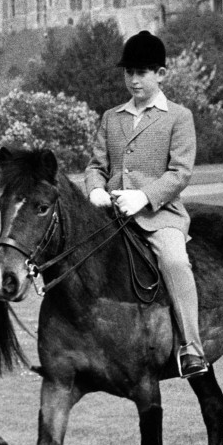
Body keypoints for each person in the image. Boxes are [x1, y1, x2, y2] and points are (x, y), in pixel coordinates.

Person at [83, 30, 209, 378]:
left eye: (142, 73)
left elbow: (180, 172)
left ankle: (191, 349)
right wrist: (95, 188)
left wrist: (145, 196)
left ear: (161, 75)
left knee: (175, 261)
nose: (134, 80)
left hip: (159, 215)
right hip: (111, 216)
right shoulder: (111, 117)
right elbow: (96, 166)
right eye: (129, 73)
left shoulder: (178, 117)